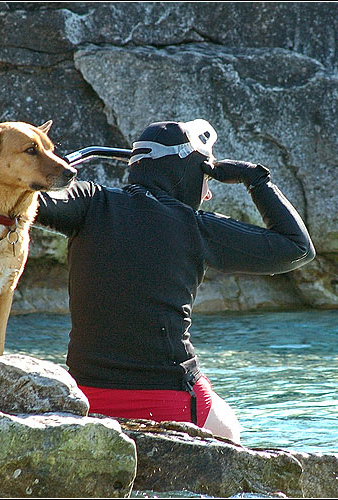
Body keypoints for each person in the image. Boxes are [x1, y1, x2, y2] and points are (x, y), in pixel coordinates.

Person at [35, 119, 315, 443]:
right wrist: (256, 179)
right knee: (231, 431)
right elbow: (297, 249)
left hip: (88, 396)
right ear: (187, 171)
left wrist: (49, 167)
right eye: (206, 178)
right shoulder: (195, 227)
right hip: (171, 400)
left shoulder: (90, 202)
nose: (207, 194)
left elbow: (19, 195)